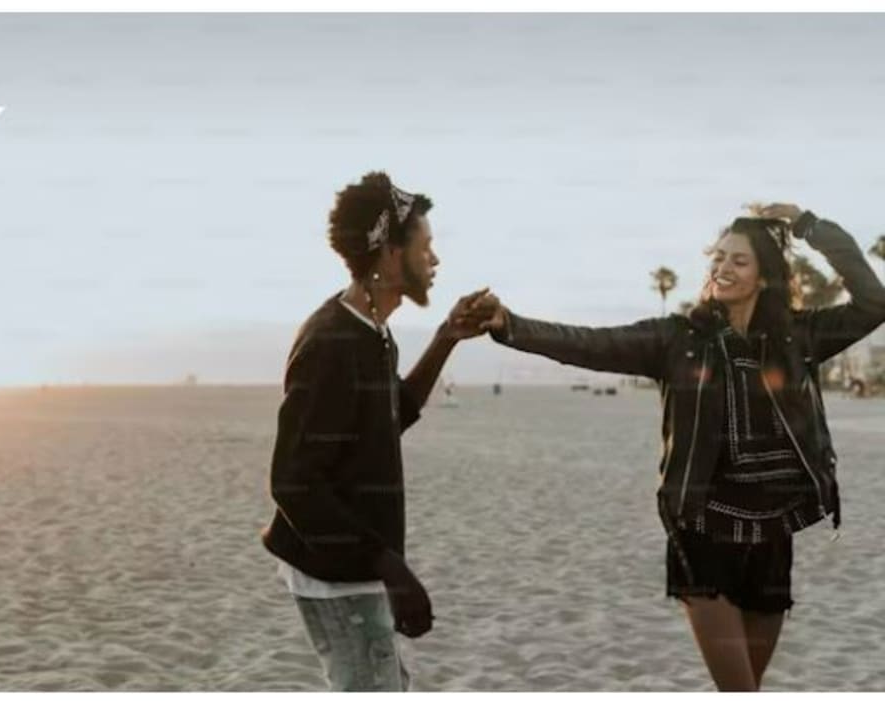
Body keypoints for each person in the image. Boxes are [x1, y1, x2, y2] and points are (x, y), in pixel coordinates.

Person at [475, 203, 885, 691]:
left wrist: (809, 226)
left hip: (774, 535)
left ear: (764, 277)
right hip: (704, 533)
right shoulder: (677, 339)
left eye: (739, 260)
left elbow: (874, 302)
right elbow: (589, 343)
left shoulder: (799, 337)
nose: (723, 267)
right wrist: (510, 325)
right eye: (718, 257)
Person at [261, 171, 494, 691]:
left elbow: (390, 418)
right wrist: (388, 565)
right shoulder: (331, 342)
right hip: (334, 577)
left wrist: (447, 337)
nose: (435, 260)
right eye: (425, 247)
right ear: (389, 254)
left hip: (354, 568)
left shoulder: (373, 332)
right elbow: (293, 482)